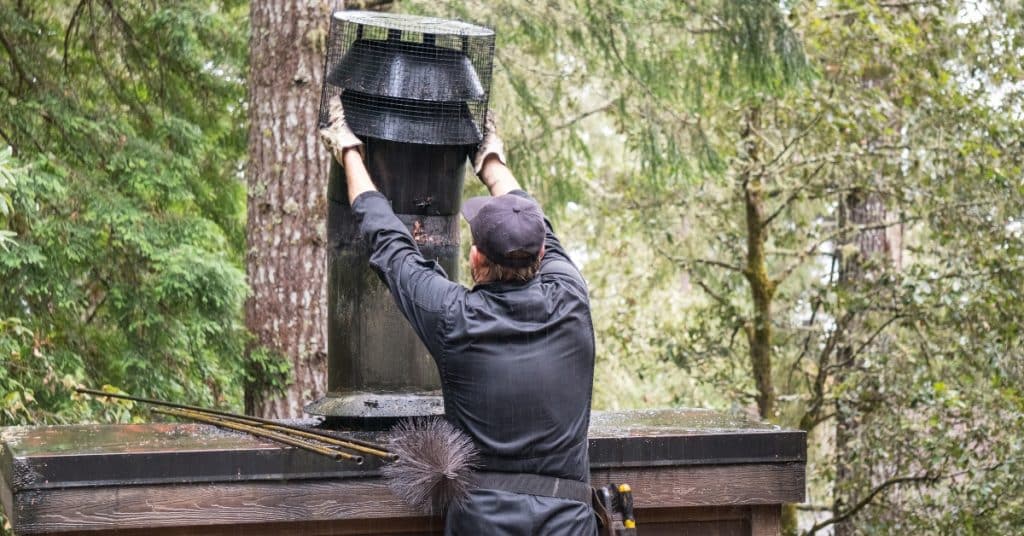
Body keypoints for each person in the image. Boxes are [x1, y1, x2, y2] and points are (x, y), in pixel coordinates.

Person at [320, 97, 598, 536]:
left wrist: (349, 149)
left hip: (482, 522)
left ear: (474, 259)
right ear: (543, 254)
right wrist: (489, 158)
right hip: (568, 521)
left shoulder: (454, 318)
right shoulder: (571, 299)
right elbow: (532, 215)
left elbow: (389, 241)